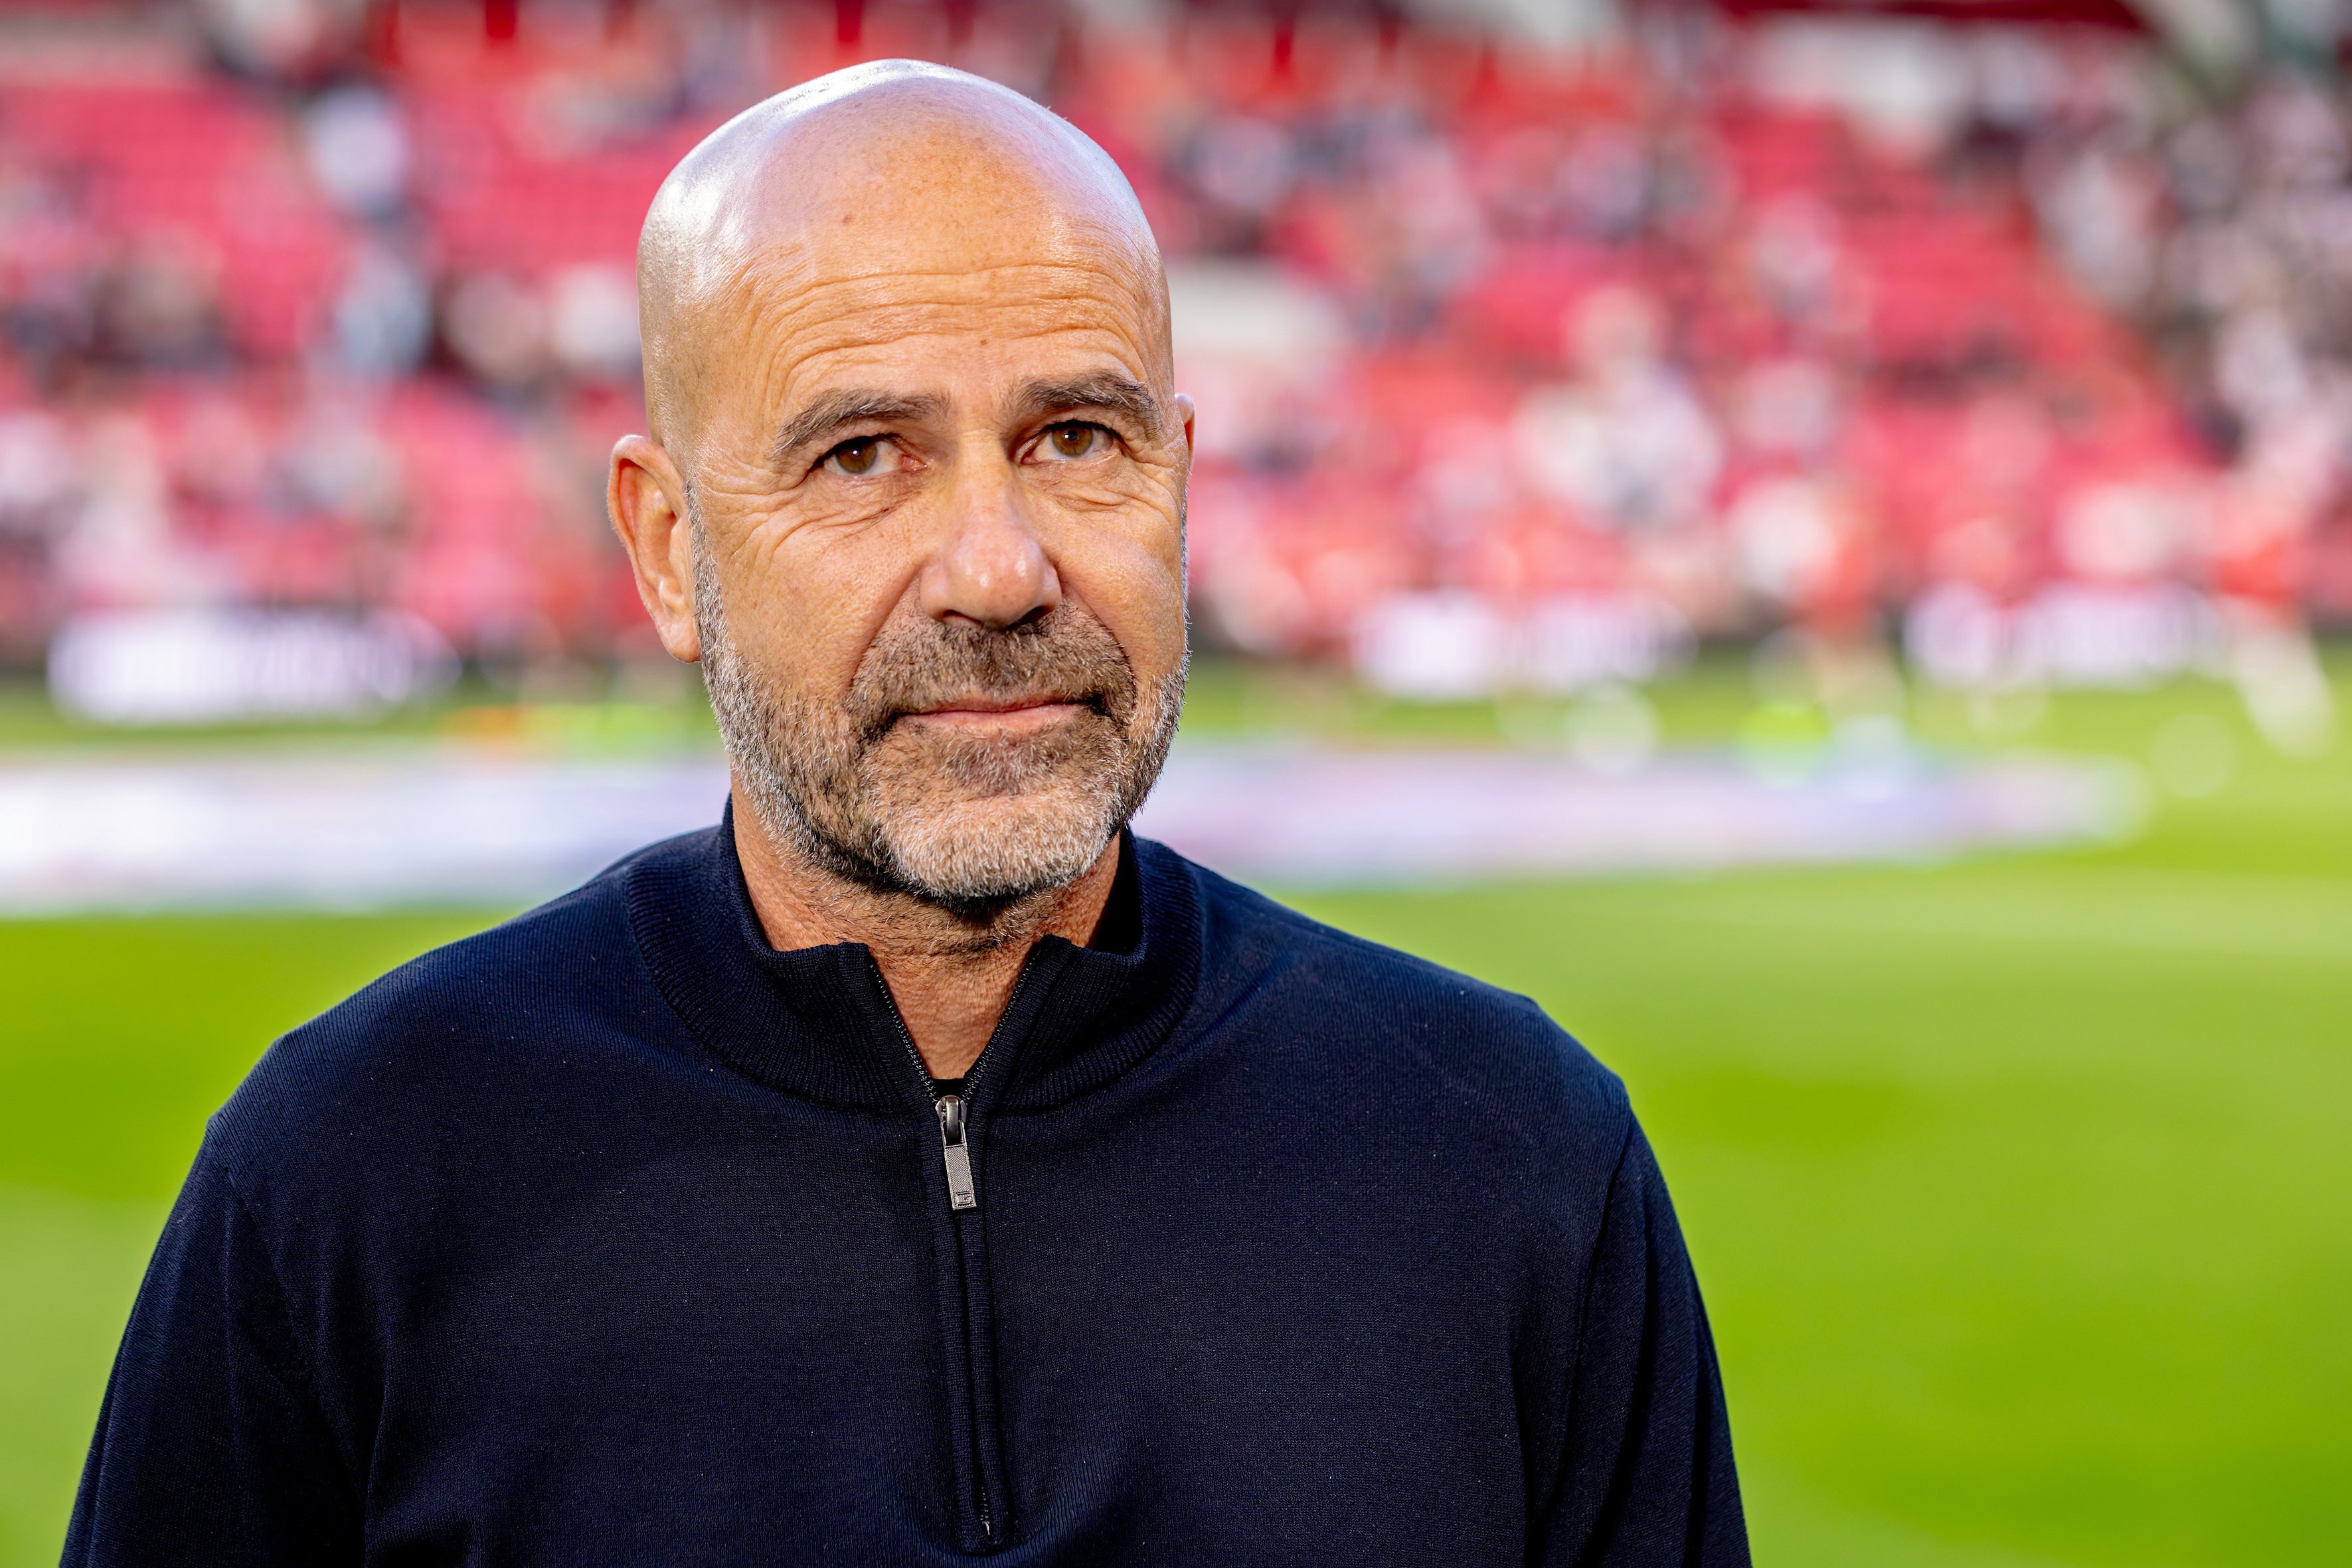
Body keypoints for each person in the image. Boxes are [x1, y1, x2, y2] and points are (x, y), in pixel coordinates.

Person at [64, 62, 1746, 1565]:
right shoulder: (352, 1174)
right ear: (665, 548)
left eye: (1075, 437)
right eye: (861, 455)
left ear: (1180, 478)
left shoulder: (1513, 1160)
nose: (1002, 570)